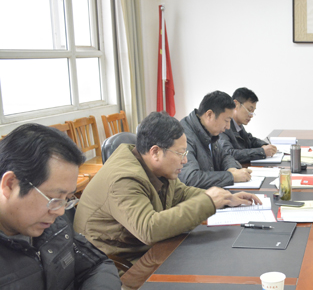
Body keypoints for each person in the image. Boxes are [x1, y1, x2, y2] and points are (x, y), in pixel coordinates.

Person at [0, 124, 122, 290]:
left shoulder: (50, 227)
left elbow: (96, 264)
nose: (59, 211)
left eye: (67, 199)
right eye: (54, 199)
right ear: (10, 184)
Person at [74, 112, 261, 269]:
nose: (185, 160)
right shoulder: (123, 179)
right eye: (180, 153)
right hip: (115, 265)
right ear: (155, 152)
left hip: (144, 250)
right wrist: (208, 202)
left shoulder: (154, 166)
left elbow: (181, 193)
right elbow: (149, 229)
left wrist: (226, 198)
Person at [179, 90, 251, 189]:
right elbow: (190, 178)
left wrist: (231, 168)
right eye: (226, 121)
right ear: (209, 115)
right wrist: (231, 176)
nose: (228, 127)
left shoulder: (209, 130)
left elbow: (225, 155)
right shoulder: (183, 136)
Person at [221, 87, 278, 162]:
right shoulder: (223, 127)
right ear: (235, 104)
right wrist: (262, 152)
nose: (251, 115)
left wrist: (266, 145)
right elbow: (229, 154)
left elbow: (250, 140)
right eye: (249, 110)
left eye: (252, 112)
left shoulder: (238, 125)